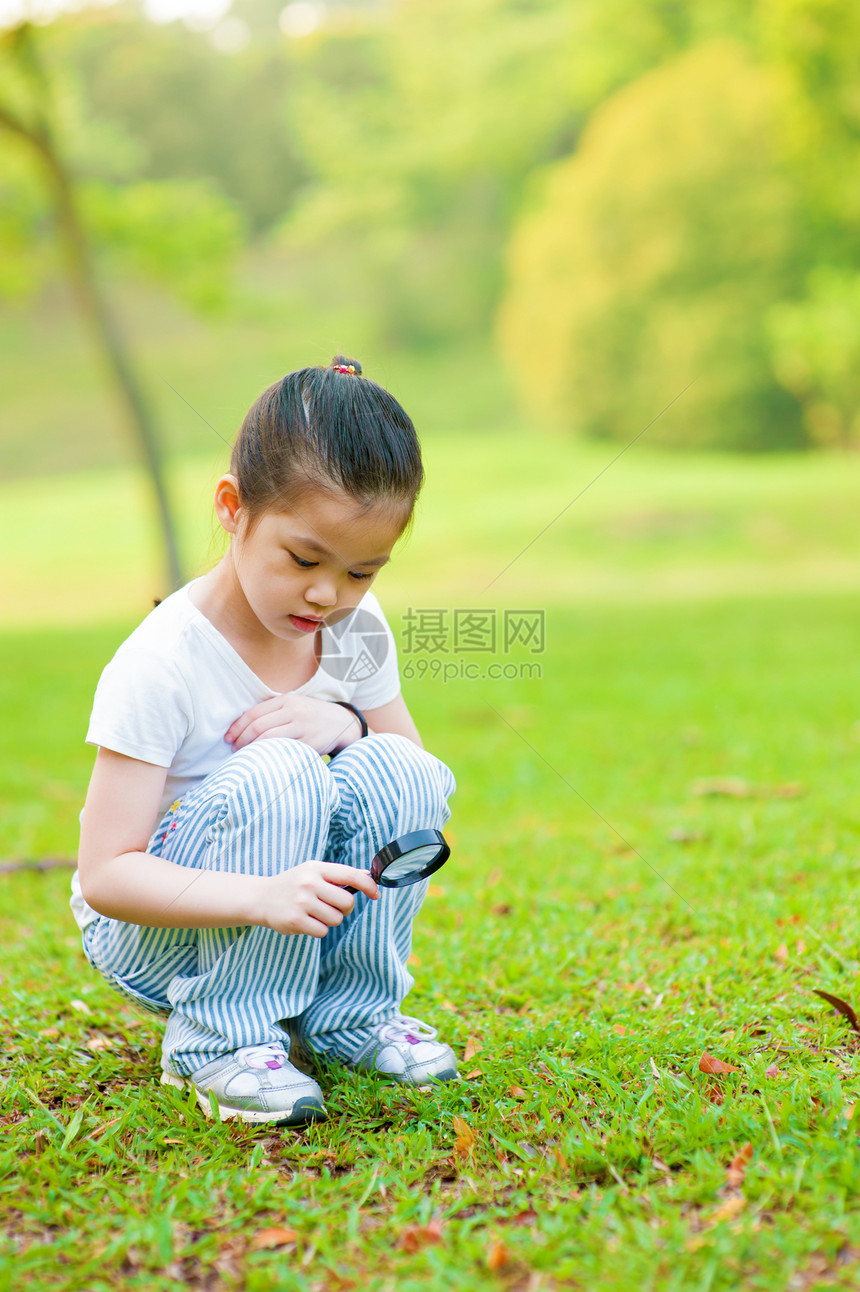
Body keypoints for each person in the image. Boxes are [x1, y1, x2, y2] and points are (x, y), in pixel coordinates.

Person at [71, 356, 458, 1127]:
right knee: (282, 769)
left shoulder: (351, 630)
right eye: (305, 560)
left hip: (298, 924)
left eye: (362, 572)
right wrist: (259, 897)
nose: (329, 594)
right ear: (232, 507)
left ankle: (350, 1016)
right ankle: (218, 1040)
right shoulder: (162, 662)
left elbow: (418, 783)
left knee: (396, 767)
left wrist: (344, 724)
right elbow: (107, 875)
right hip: (161, 932)